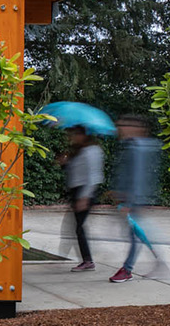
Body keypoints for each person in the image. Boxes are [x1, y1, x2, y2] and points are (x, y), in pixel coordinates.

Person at [109, 114, 164, 283]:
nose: (120, 128)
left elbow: (138, 176)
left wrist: (130, 201)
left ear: (136, 128)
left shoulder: (137, 147)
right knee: (139, 233)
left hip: (135, 198)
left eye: (124, 125)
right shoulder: (131, 146)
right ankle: (159, 264)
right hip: (131, 197)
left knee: (136, 233)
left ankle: (127, 269)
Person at [56, 126, 103, 271]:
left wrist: (84, 197)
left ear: (83, 135)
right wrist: (65, 163)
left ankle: (87, 261)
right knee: (75, 226)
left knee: (79, 227)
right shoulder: (79, 151)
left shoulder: (93, 151)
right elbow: (74, 172)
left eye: (74, 134)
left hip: (84, 192)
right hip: (76, 191)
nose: (71, 137)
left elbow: (94, 176)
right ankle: (78, 257)